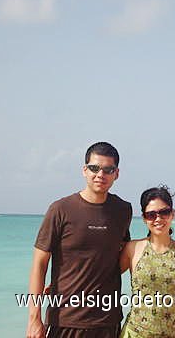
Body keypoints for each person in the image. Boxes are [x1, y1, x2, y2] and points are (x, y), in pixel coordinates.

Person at [26, 142, 132, 338]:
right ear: (84, 170)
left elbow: (123, 256)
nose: (100, 174)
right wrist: (34, 319)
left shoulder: (123, 210)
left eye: (108, 169)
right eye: (94, 168)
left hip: (107, 321)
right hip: (65, 319)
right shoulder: (60, 209)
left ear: (116, 174)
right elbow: (39, 265)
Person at [119, 186, 175, 338]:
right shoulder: (133, 248)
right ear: (144, 218)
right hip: (136, 333)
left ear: (173, 214)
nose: (158, 219)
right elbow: (106, 278)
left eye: (164, 212)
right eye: (151, 215)